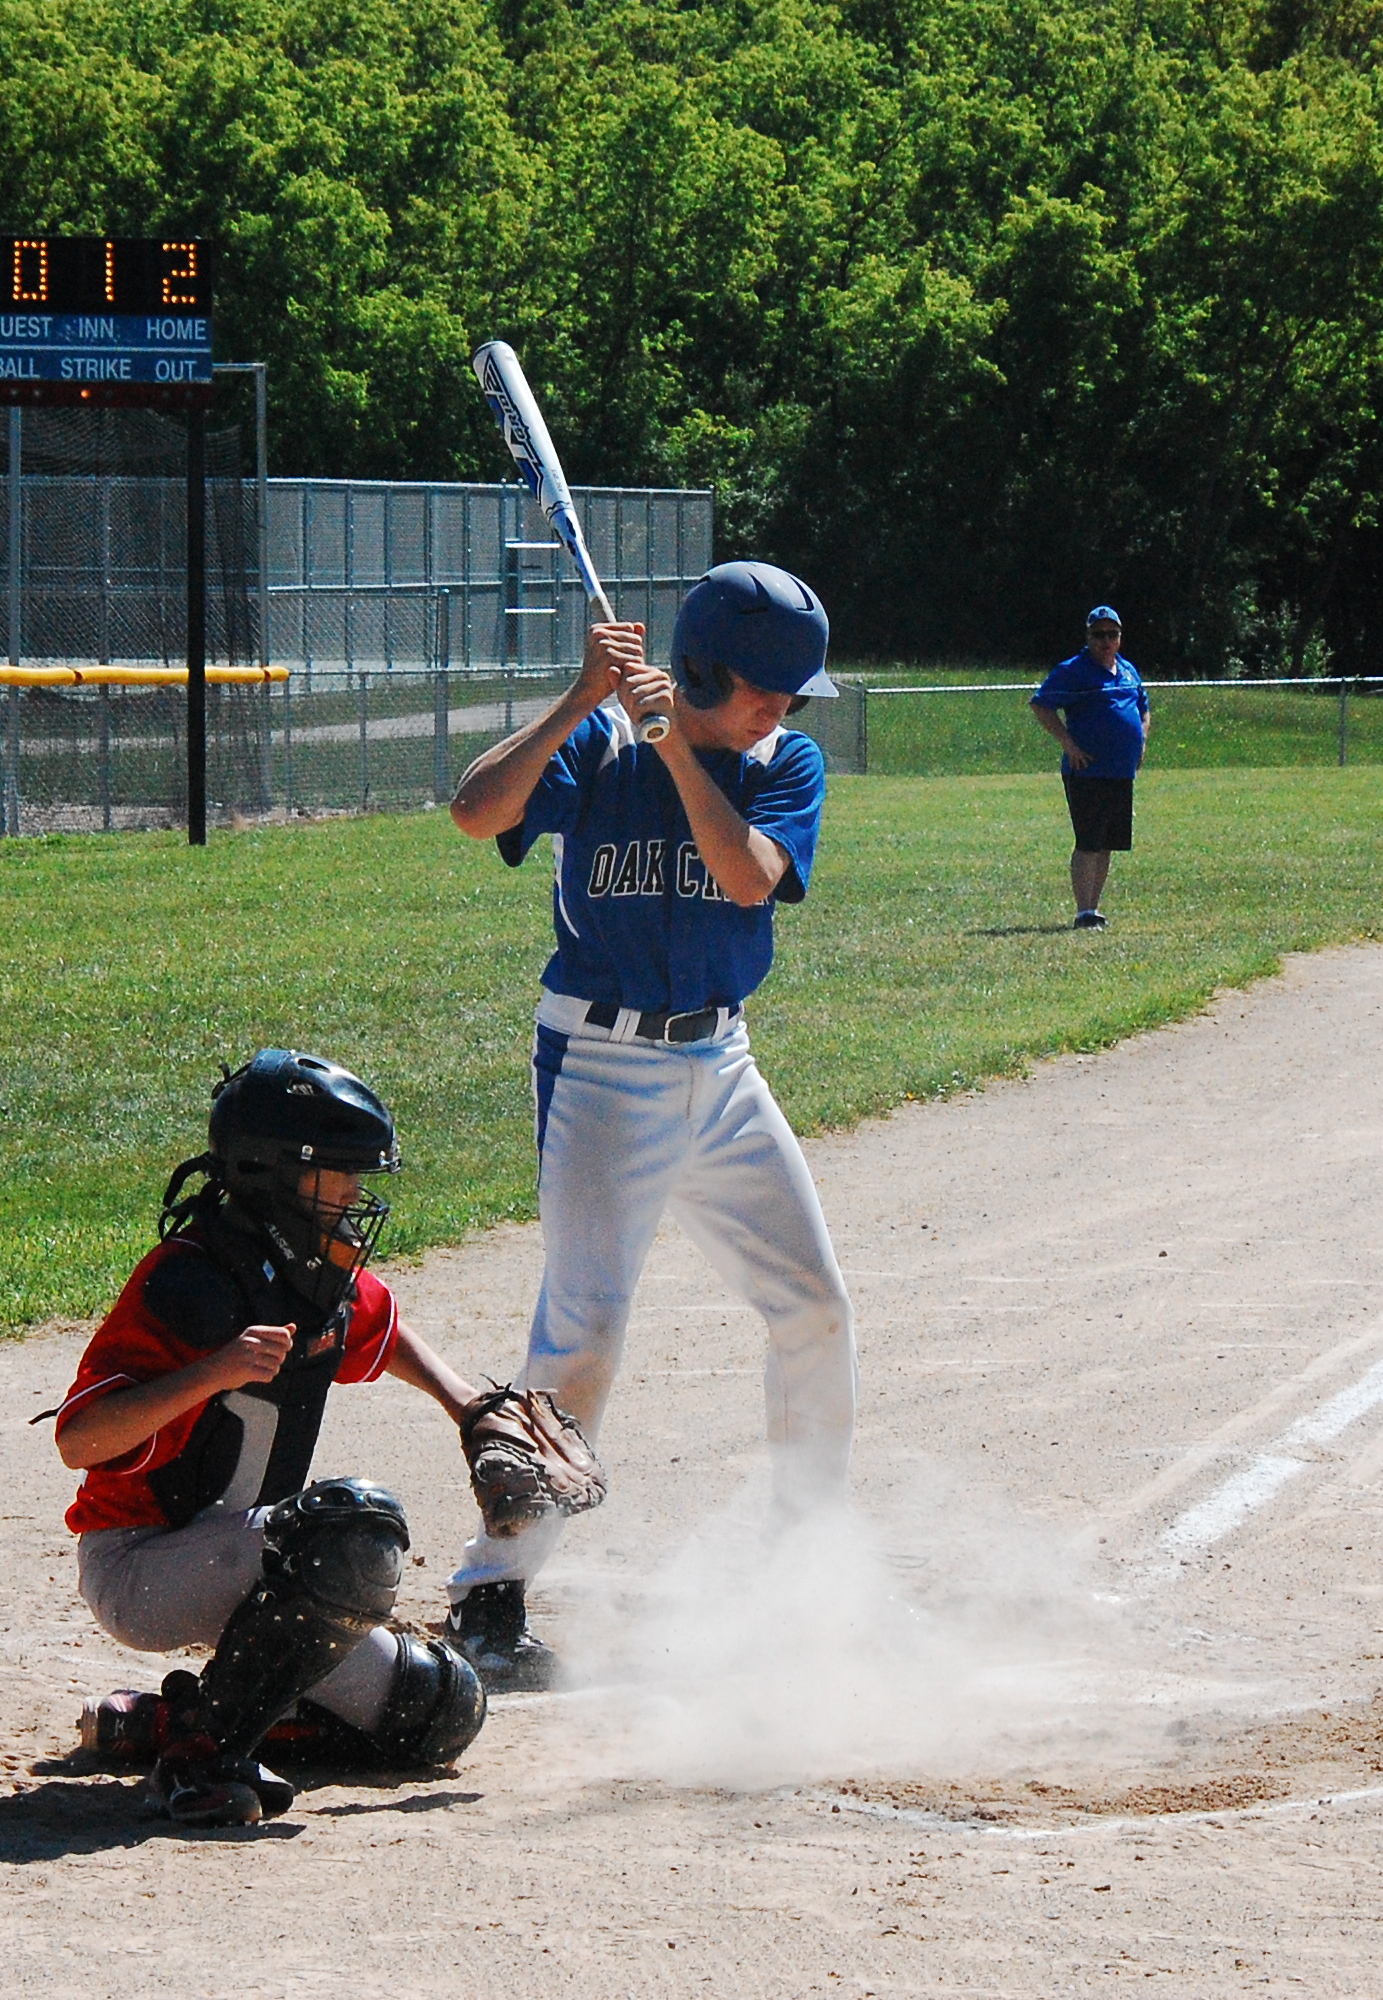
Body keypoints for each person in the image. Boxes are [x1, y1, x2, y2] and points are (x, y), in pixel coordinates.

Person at [438, 560, 854, 1689]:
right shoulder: (602, 741)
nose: (782, 706)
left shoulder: (785, 761)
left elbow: (747, 878)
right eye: (763, 686)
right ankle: (490, 1593)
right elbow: (475, 811)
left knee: (813, 1306)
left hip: (721, 1063)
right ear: (705, 668)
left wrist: (680, 746)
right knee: (583, 1331)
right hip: (602, 1066)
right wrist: (583, 698)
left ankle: (808, 1567)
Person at [51, 1050, 493, 1829]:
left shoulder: (307, 1276)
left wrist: (467, 1407)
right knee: (349, 1534)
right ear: (276, 1175)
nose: (355, 1194)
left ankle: (167, 1724)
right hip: (142, 1565)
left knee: (437, 1709)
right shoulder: (187, 1284)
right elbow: (80, 1441)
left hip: (252, 1561)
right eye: (339, 1175)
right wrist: (211, 1372)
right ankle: (201, 1763)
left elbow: (379, 1329)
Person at [1028, 605, 1150, 929]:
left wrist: (1141, 742)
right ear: (1088, 637)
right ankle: (1083, 912)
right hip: (1087, 770)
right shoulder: (1073, 671)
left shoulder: (1127, 670)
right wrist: (1069, 745)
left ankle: (1094, 909)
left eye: (1112, 634)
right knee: (1089, 841)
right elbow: (1041, 705)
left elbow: (1143, 707)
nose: (1106, 641)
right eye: (1099, 635)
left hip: (1120, 771)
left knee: (1108, 843)